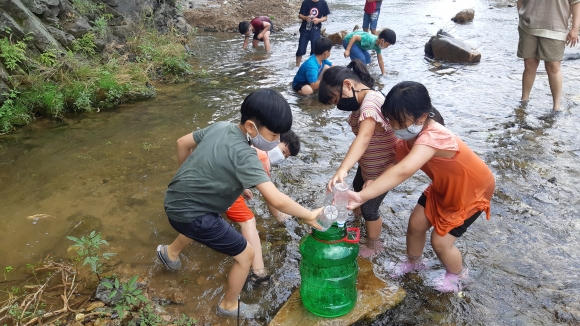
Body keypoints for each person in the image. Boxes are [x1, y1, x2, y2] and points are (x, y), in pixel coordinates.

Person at [157, 89, 322, 319]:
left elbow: (182, 143)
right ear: (252, 126)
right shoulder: (247, 156)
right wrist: (308, 214)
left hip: (175, 198)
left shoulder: (221, 126)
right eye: (274, 135)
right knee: (246, 255)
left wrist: (187, 177)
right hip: (192, 212)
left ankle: (169, 253)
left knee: (203, 224)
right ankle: (228, 305)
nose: (276, 142)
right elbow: (275, 199)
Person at [346, 81, 496, 293]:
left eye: (399, 122)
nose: (395, 128)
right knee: (416, 223)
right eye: (391, 121)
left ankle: (457, 275)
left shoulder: (435, 136)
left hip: (472, 192)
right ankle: (414, 262)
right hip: (444, 187)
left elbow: (404, 170)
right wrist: (375, 181)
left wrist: (362, 196)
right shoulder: (409, 138)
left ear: (422, 117)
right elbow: (395, 163)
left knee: (441, 242)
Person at [318, 60, 397, 258]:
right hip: (368, 167)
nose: (338, 106)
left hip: (384, 170)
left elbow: (364, 139)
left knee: (370, 208)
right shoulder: (360, 103)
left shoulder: (371, 102)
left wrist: (342, 169)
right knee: (355, 197)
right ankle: (355, 225)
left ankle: (373, 244)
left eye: (336, 100)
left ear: (348, 85)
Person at [224, 131, 302, 286]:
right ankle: (258, 273)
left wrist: (242, 188)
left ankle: (171, 252)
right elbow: (270, 197)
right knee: (249, 221)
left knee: (201, 216)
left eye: (286, 157)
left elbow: (234, 167)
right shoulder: (264, 159)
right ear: (275, 139)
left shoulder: (252, 145)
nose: (282, 157)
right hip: (224, 189)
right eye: (283, 151)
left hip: (217, 180)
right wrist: (279, 216)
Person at [517, 0, 580, 112]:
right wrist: (521, 15)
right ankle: (524, 102)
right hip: (528, 26)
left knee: (553, 67)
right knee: (529, 64)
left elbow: (576, 3)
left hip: (556, 27)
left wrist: (575, 28)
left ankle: (556, 107)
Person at [295, 0, 331, 67]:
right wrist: (305, 18)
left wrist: (319, 20)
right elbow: (300, 15)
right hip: (305, 28)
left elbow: (325, 17)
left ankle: (312, 65)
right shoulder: (306, 2)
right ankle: (297, 66)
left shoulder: (323, 2)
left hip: (316, 28)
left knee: (314, 49)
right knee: (301, 49)